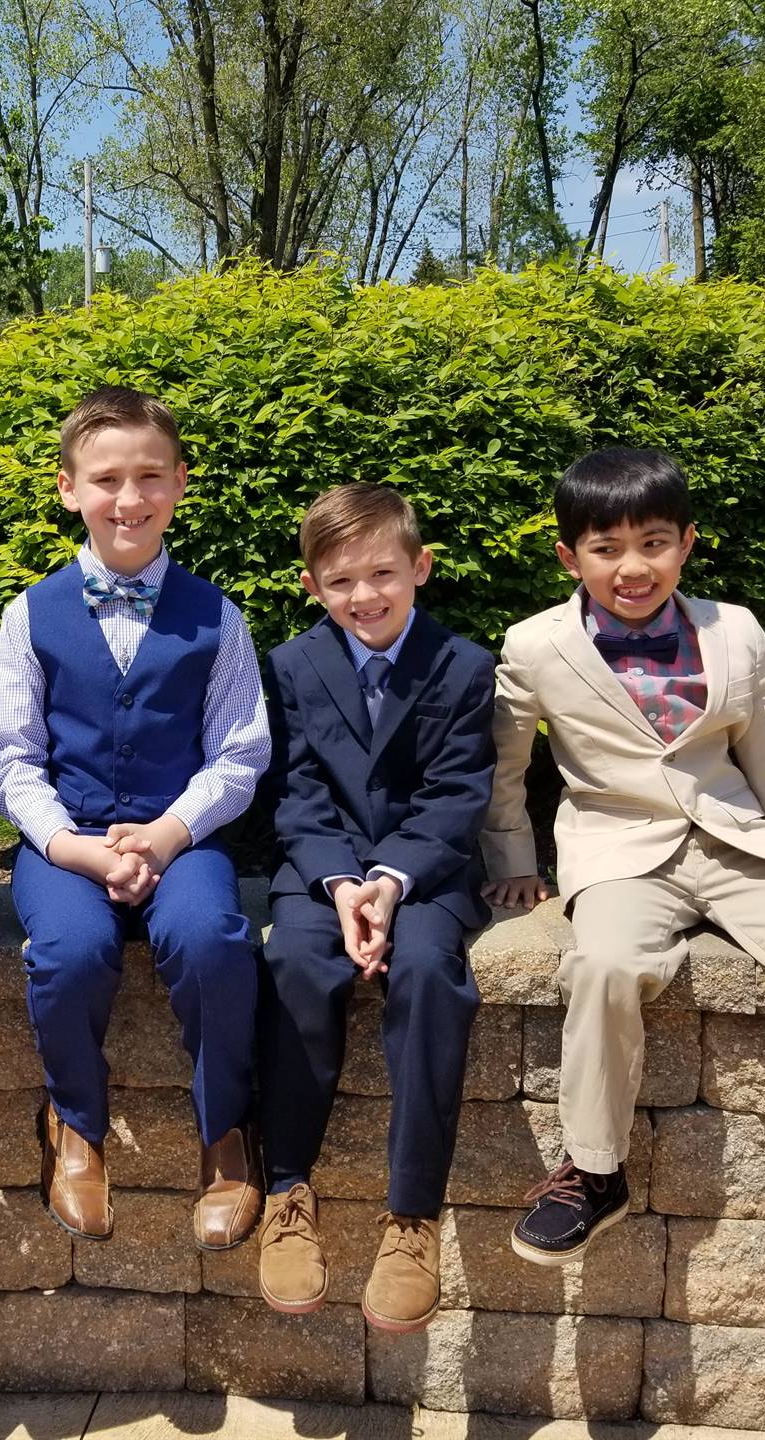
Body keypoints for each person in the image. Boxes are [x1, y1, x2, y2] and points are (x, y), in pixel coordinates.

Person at [481, 447, 765, 1308]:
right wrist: (514, 864)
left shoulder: (735, 632)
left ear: (687, 543)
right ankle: (592, 1173)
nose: (632, 567)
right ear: (569, 557)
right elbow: (506, 773)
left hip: (740, 845)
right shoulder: (535, 644)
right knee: (606, 967)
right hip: (620, 854)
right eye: (606, 548)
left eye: (654, 543)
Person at [0, 386, 271, 1250]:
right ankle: (76, 1125)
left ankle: (226, 1134)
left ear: (180, 483)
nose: (129, 498)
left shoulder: (217, 617)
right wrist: (74, 848)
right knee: (72, 952)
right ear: (70, 489)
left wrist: (167, 834)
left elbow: (239, 752)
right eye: (106, 478)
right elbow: (12, 757)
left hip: (179, 836)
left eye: (151, 476)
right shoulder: (27, 613)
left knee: (212, 938)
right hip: (65, 838)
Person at [255, 483, 495, 1332]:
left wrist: (390, 882)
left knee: (429, 971)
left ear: (420, 567)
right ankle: (287, 1191)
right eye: (341, 580)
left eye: (382, 573)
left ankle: (412, 1219)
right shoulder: (289, 665)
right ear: (313, 586)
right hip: (322, 873)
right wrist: (342, 884)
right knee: (292, 961)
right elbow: (297, 794)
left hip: (423, 877)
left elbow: (456, 793)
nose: (365, 595)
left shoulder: (462, 666)